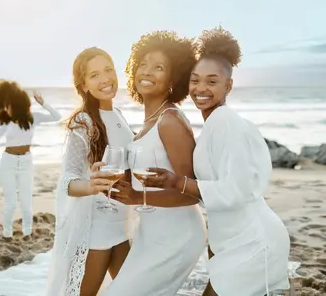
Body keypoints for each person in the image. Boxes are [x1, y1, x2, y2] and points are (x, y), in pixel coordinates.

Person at [142, 26, 290, 296]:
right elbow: (218, 190)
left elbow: (234, 191)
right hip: (234, 240)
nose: (201, 88)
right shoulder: (213, 124)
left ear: (228, 85)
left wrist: (177, 182)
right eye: (195, 80)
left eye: (211, 81)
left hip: (254, 242)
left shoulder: (225, 123)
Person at [103, 31, 207, 296]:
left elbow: (191, 194)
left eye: (158, 67)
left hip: (177, 235)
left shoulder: (170, 121)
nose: (146, 71)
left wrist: (138, 196)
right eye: (143, 64)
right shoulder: (149, 122)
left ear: (173, 79)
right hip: (151, 233)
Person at [46, 47, 135, 296]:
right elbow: (67, 181)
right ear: (83, 85)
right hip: (96, 228)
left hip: (122, 224)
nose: (105, 78)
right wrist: (91, 185)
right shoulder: (83, 122)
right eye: (94, 75)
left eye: (108, 70)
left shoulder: (118, 115)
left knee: (133, 290)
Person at [0, 80, 62, 238]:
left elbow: (57, 116)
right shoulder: (6, 121)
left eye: (9, 105)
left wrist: (42, 103)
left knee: (26, 204)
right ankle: (7, 234)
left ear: (17, 105)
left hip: (26, 163)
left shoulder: (34, 118)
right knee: (10, 203)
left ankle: (27, 233)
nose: (6, 108)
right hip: (8, 163)